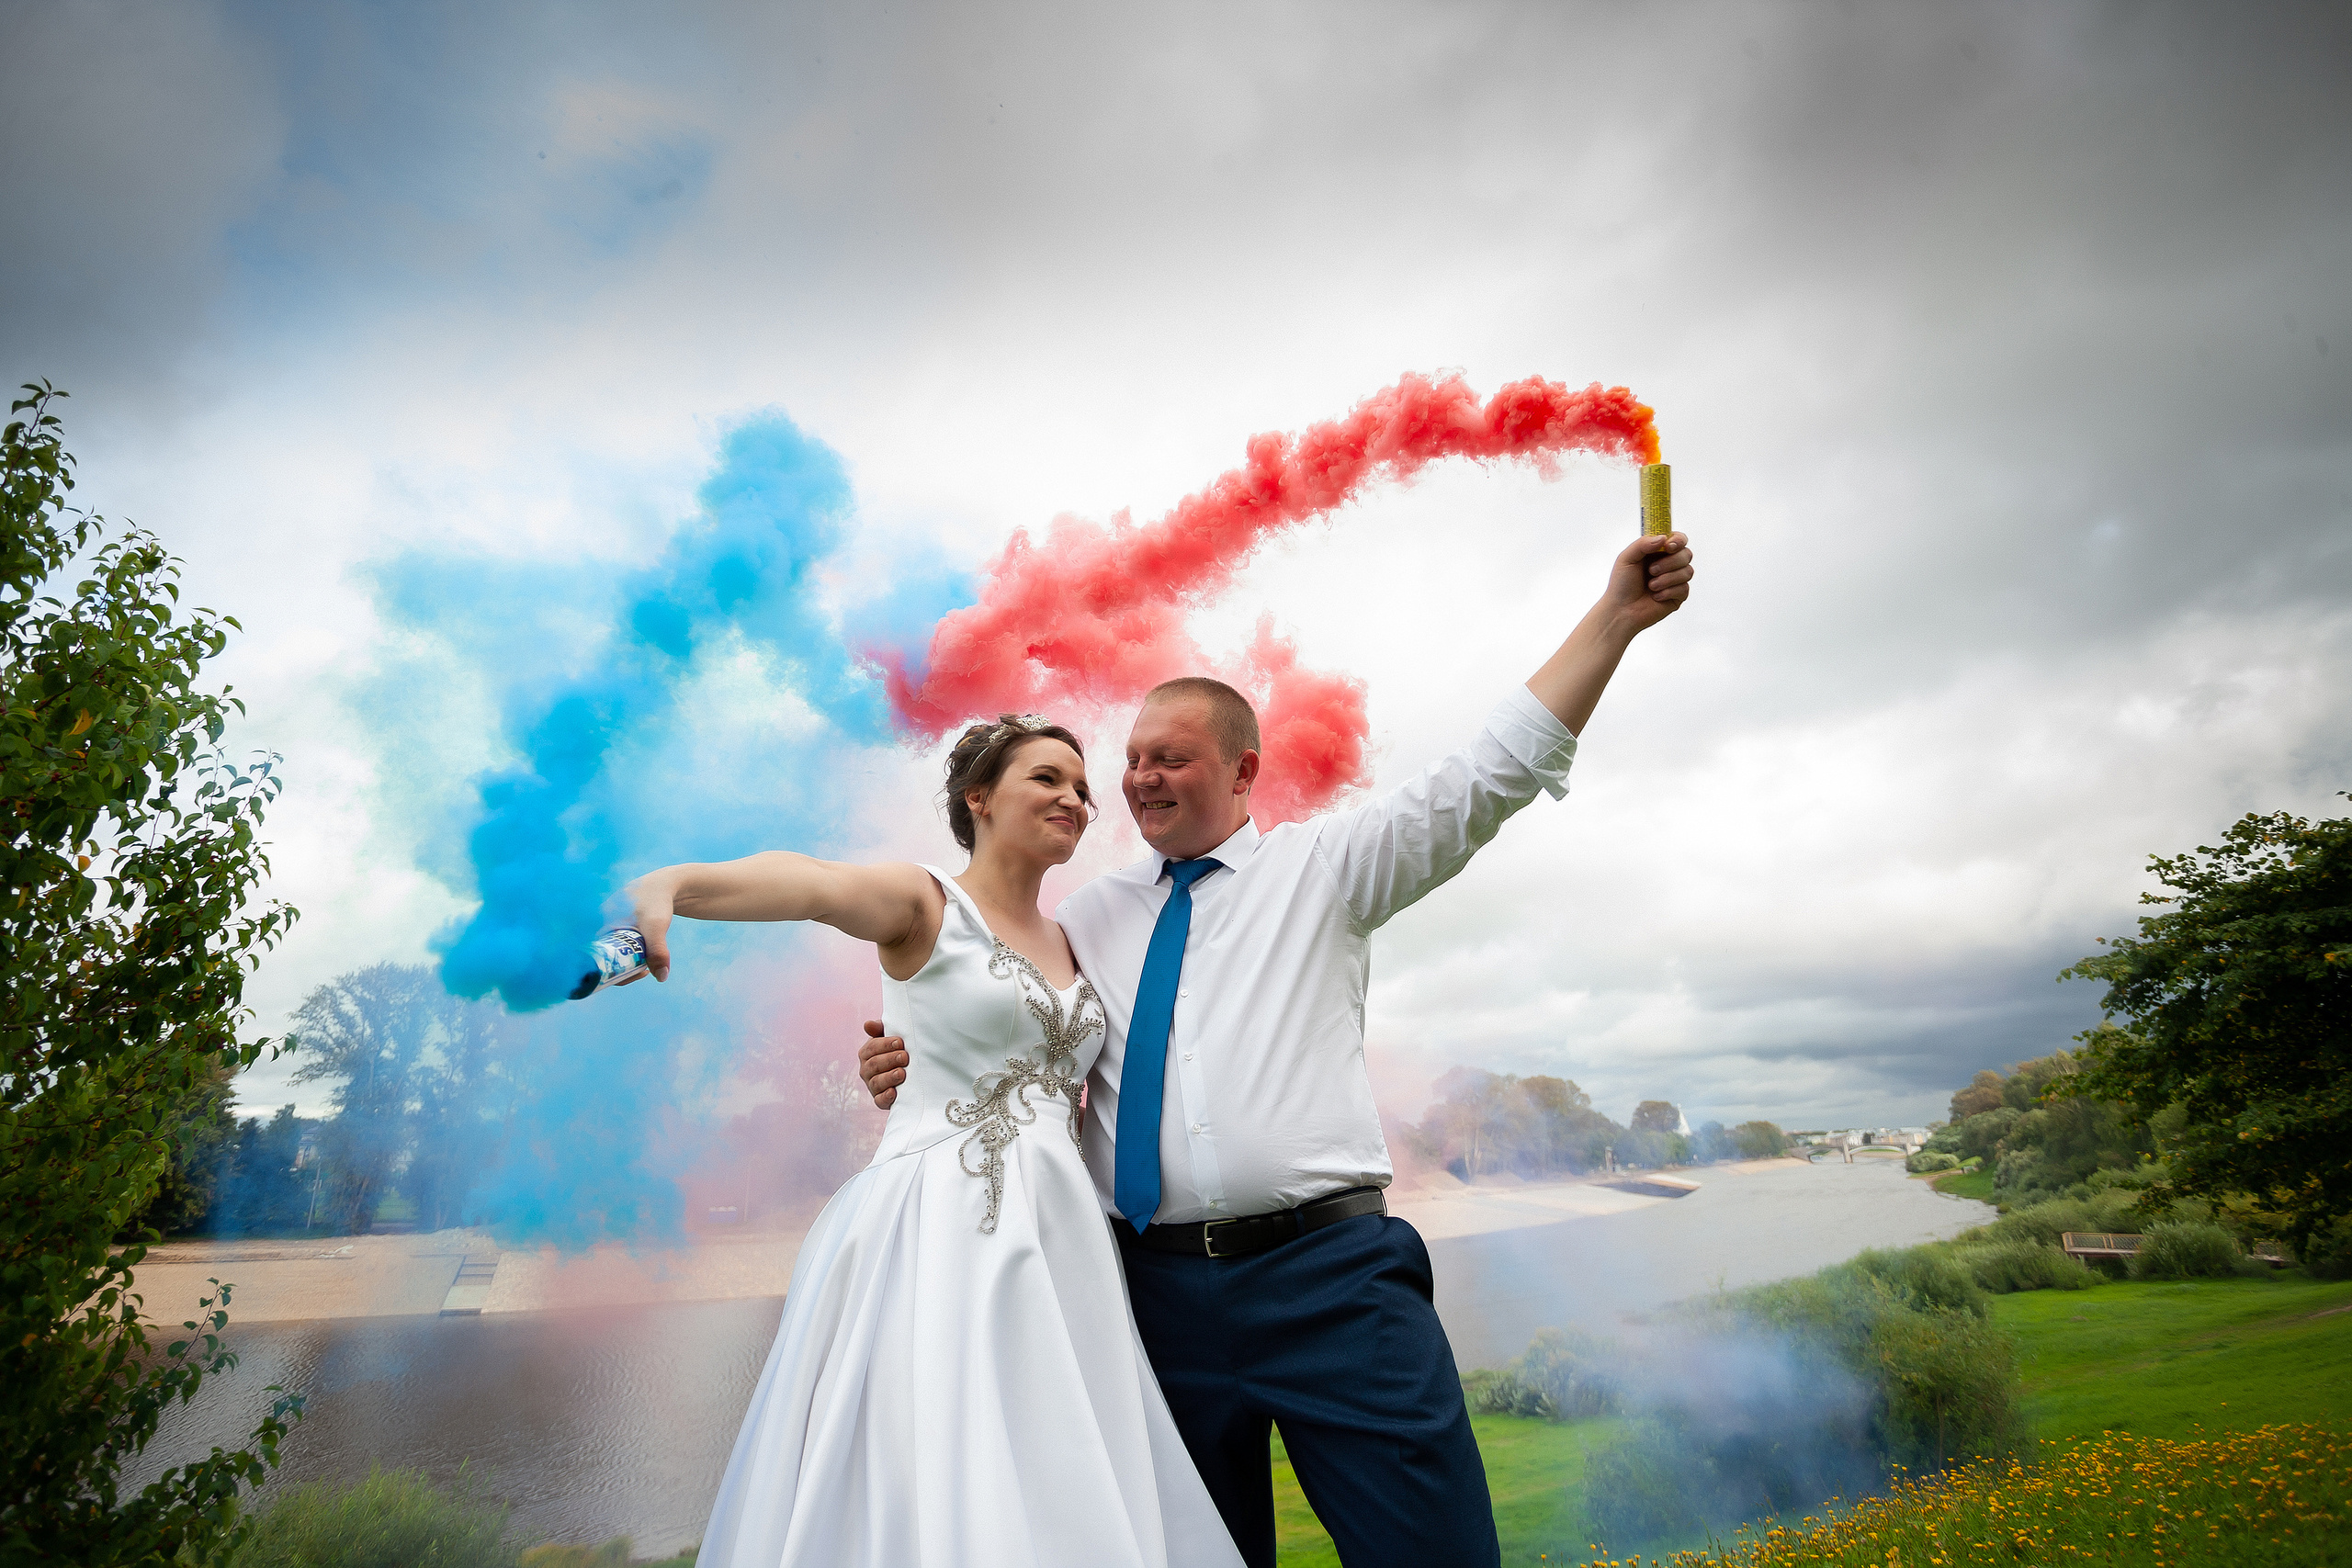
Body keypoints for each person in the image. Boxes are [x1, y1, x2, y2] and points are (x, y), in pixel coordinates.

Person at [858, 529, 1695, 1568]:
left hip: (1332, 1280)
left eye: (1170, 758)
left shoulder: (1329, 869)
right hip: (1149, 1296)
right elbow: (999, 1022)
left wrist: (1614, 618)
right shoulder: (1090, 917)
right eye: (1131, 761)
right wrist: (910, 1062)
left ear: (1243, 769)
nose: (1140, 779)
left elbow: (1491, 773)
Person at [623, 717, 1245, 1567]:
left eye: (1081, 787)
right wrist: (677, 885)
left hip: (1065, 1240)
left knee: (1057, 1463)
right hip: (943, 1229)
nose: (1075, 797)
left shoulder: (1074, 941)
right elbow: (812, 883)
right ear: (978, 797)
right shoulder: (924, 902)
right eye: (1047, 779)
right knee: (944, 1461)